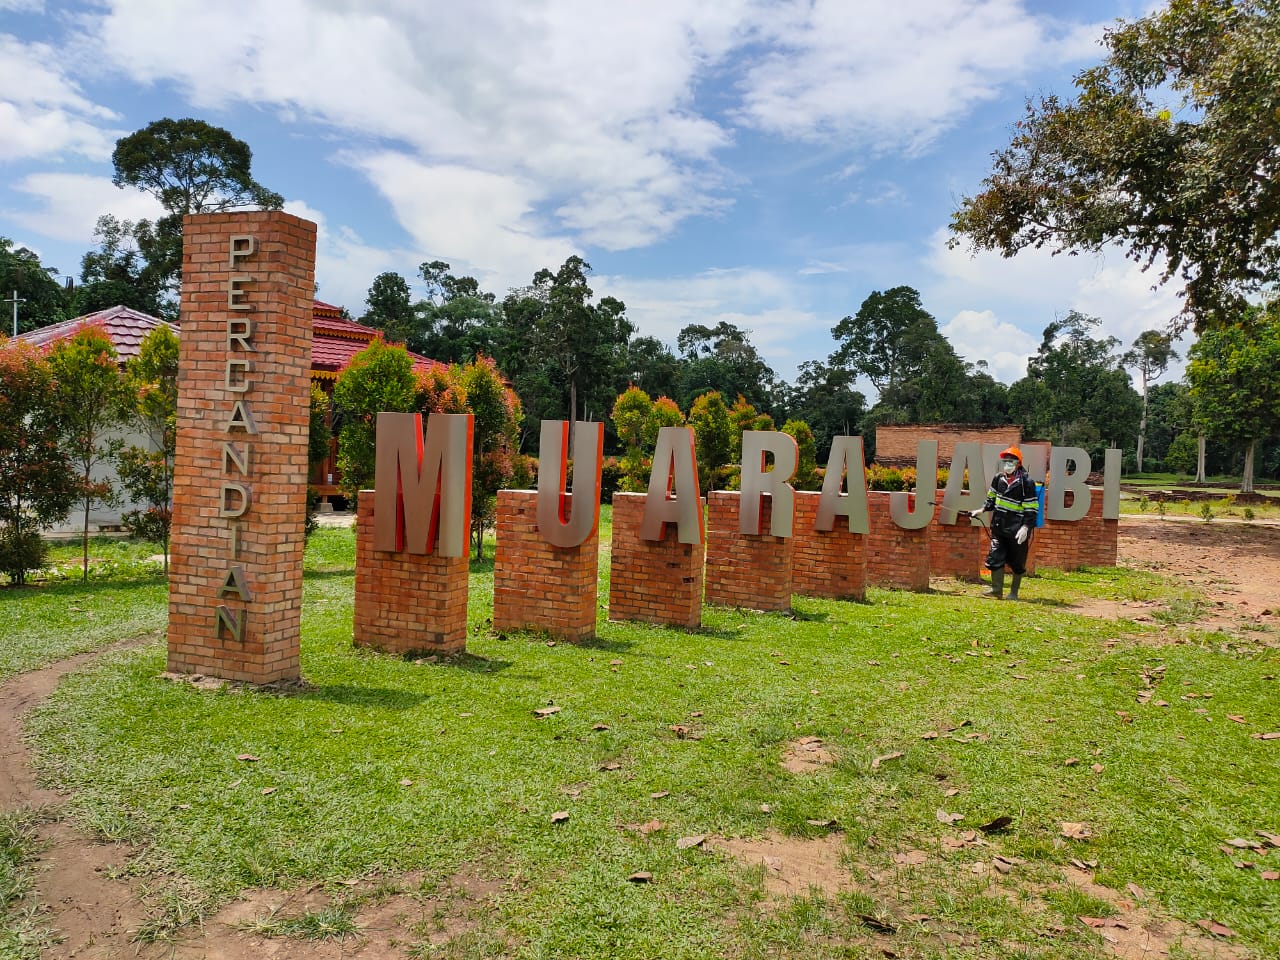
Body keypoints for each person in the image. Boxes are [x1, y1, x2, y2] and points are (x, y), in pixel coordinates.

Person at [981, 446, 1038, 600]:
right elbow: (991, 498)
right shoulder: (998, 478)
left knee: (1017, 561)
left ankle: (1014, 592)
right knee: (995, 556)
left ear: (1018, 463)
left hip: (1017, 528)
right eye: (1005, 461)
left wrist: (1026, 527)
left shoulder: (1026, 483)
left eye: (1011, 461)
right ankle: (996, 590)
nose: (1007, 464)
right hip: (999, 526)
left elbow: (1031, 508)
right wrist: (981, 510)